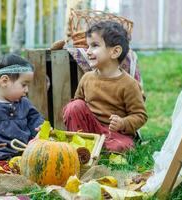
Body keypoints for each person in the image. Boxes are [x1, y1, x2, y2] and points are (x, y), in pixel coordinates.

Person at [63, 21, 148, 153]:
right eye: (88, 46)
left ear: (115, 52)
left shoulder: (129, 84)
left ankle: (97, 149)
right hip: (89, 131)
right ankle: (80, 145)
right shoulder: (87, 78)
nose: (88, 51)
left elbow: (140, 115)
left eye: (94, 46)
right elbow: (76, 107)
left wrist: (123, 123)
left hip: (114, 134)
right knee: (74, 106)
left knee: (120, 146)